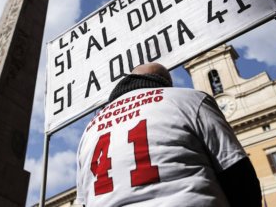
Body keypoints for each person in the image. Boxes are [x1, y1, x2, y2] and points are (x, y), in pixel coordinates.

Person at [74, 63, 261, 207]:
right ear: (164, 82)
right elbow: (237, 172)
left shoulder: (90, 129)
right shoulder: (190, 99)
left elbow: (83, 201)